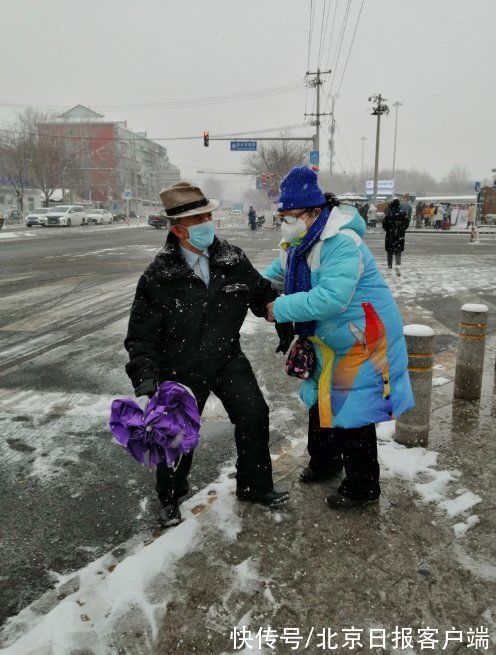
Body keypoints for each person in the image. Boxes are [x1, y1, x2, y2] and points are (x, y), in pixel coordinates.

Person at [125, 182, 292, 527]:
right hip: (181, 368)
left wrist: (281, 317)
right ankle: (170, 497)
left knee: (254, 414)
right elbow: (140, 336)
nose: (207, 223)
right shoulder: (158, 277)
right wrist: (145, 376)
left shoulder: (232, 259)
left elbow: (260, 293)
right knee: (174, 434)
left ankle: (255, 485)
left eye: (208, 215)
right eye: (198, 218)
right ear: (178, 229)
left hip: (227, 359)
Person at [263, 166, 414, 510]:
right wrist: (249, 289)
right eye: (282, 216)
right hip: (332, 339)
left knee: (353, 411)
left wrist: (280, 308)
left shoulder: (341, 242)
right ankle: (326, 461)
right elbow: (273, 276)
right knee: (322, 401)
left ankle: (363, 486)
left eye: (291, 215)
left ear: (315, 212)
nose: (286, 221)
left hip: (364, 336)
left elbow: (333, 298)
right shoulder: (299, 243)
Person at [382, 198, 410, 276]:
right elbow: (406, 223)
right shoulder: (402, 214)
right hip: (399, 235)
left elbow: (384, 225)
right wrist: (401, 229)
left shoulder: (388, 215)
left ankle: (389, 267)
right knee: (398, 251)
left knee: (389, 252)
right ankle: (397, 265)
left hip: (390, 236)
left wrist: (389, 230)